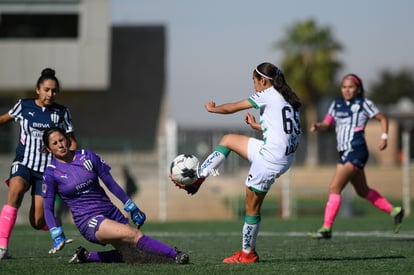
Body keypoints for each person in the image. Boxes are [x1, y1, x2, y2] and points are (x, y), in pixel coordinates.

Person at [171, 62, 302, 264]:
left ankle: (248, 254)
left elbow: (233, 107)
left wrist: (213, 109)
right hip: (280, 155)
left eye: (254, 82)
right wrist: (256, 125)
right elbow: (283, 131)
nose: (254, 86)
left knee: (252, 208)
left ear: (264, 81)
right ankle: (198, 180)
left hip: (271, 159)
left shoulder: (267, 94)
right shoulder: (288, 98)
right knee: (228, 140)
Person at [41, 127, 189, 264]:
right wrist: (56, 232)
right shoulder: (51, 173)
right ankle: (175, 254)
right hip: (88, 219)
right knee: (133, 234)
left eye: (61, 140)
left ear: (67, 139)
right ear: (49, 149)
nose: (60, 145)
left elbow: (110, 183)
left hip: (110, 211)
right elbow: (47, 208)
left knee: (132, 254)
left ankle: (86, 256)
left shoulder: (88, 157)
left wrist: (131, 206)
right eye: (54, 143)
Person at [308, 73, 404, 239]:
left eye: (351, 87)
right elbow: (327, 123)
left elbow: (382, 119)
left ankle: (326, 228)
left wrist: (384, 137)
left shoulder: (363, 103)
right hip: (345, 151)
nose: (347, 90)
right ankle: (394, 210)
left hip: (356, 149)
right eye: (344, 87)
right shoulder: (336, 104)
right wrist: (319, 125)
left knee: (334, 187)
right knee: (362, 191)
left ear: (358, 89)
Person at [0, 68, 77, 260]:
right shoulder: (23, 106)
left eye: (54, 91)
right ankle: (2, 248)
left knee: (36, 221)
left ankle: (53, 224)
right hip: (23, 163)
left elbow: (71, 141)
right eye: (46, 89)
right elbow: (3, 119)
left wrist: (72, 162)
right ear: (37, 89)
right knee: (15, 191)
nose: (50, 94)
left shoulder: (61, 112)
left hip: (46, 171)